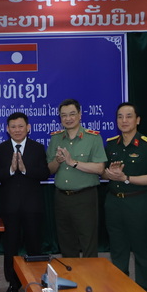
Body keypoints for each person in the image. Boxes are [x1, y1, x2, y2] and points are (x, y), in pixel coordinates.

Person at [0, 112, 50, 292]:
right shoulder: (0, 149)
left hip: (33, 207)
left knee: (34, 246)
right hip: (9, 207)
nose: (17, 130)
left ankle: (35, 285)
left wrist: (25, 170)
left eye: (20, 126)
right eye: (13, 127)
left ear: (28, 128)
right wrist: (10, 169)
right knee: (10, 248)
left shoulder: (37, 148)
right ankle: (13, 284)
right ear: (7, 129)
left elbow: (44, 173)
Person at [102, 103, 147, 292]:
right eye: (120, 116)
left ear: (138, 120)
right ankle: (120, 284)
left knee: (141, 246)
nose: (124, 121)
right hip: (114, 201)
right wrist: (110, 174)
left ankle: (144, 287)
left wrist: (126, 178)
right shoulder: (111, 144)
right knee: (118, 247)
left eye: (128, 116)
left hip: (138, 201)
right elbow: (104, 172)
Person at [46, 99, 106, 258]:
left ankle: (90, 281)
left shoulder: (93, 138)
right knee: (66, 243)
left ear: (80, 115)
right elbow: (49, 170)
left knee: (88, 243)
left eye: (72, 114)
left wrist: (73, 162)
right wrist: (57, 162)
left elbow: (100, 168)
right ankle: (71, 280)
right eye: (64, 115)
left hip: (85, 197)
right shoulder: (56, 139)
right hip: (61, 198)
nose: (68, 118)